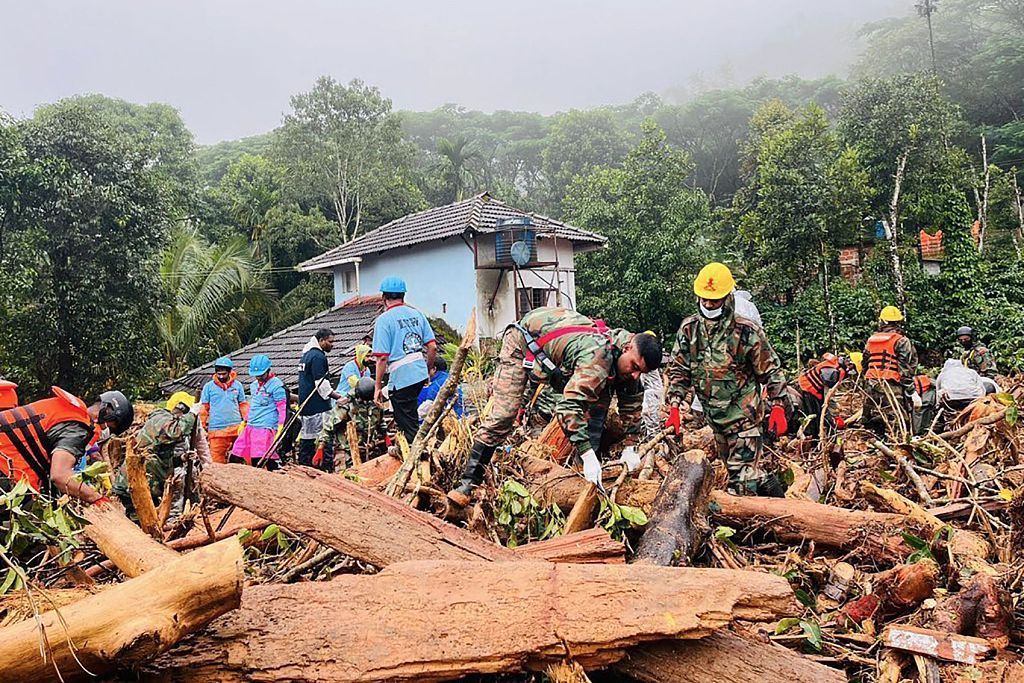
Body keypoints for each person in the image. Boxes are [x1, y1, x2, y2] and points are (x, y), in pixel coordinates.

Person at [447, 307, 662, 507]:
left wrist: (630, 447)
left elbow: (631, 405)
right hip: (524, 341)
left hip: (562, 348)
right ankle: (468, 483)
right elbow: (567, 407)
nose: (634, 375)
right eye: (634, 367)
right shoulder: (598, 358)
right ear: (627, 347)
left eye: (641, 372)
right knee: (505, 415)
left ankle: (583, 480)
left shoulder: (628, 361)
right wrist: (588, 455)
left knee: (596, 414)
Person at [664, 263, 788, 496]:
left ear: (728, 297)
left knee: (741, 485)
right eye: (704, 300)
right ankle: (769, 488)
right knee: (736, 472)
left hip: (744, 417)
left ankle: (760, 522)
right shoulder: (690, 330)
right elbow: (679, 370)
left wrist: (779, 405)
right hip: (716, 419)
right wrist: (674, 405)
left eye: (715, 300)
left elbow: (771, 370)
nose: (709, 305)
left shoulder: (746, 331)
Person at [0, 387, 133, 504]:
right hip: (4, 470)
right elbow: (60, 476)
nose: (106, 431)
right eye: (110, 427)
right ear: (107, 413)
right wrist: (96, 498)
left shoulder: (68, 411)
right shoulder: (78, 429)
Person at [371, 277, 437, 443]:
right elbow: (432, 347)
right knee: (411, 415)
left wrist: (378, 386)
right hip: (419, 373)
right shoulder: (417, 314)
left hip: (401, 378)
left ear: (383, 298)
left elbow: (382, 358)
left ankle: (416, 455)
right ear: (403, 296)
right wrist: (428, 369)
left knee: (407, 425)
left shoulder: (384, 320)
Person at [113, 391, 198, 513]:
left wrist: (182, 458)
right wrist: (192, 415)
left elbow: (161, 458)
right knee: (141, 521)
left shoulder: (165, 420)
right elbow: (176, 432)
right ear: (180, 408)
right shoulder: (161, 420)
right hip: (133, 485)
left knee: (150, 518)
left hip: (146, 483)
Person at [861, 306, 919, 436]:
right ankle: (897, 446)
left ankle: (875, 445)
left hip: (871, 384)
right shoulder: (902, 341)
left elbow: (864, 364)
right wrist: (911, 391)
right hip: (892, 386)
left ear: (883, 321)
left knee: (873, 417)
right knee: (899, 419)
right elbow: (904, 369)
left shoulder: (871, 340)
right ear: (898, 322)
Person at [298, 328, 344, 470]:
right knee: (324, 438)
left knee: (307, 439)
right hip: (318, 406)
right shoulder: (318, 357)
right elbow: (321, 384)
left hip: (306, 406)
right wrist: (338, 397)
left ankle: (304, 466)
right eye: (330, 342)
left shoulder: (306, 355)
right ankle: (325, 470)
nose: (332, 345)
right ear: (321, 340)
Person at [316, 376, 385, 469]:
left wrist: (387, 440)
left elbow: (380, 424)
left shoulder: (375, 406)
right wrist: (320, 448)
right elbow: (329, 427)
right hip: (346, 451)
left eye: (368, 401)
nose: (365, 402)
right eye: (363, 400)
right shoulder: (346, 406)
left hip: (367, 451)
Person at [231, 355, 286, 470]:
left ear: (268, 370)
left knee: (259, 459)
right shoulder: (254, 386)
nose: (259, 378)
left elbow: (282, 408)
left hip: (265, 427)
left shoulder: (276, 386)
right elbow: (254, 404)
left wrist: (281, 426)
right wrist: (245, 420)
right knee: (236, 454)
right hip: (251, 425)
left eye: (261, 375)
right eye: (257, 376)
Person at [790, 353, 856, 437]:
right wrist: (835, 416)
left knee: (819, 414)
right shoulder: (833, 372)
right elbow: (828, 396)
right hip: (808, 389)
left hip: (812, 389)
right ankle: (812, 438)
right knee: (814, 418)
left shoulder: (836, 366)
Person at [199, 357, 248, 464]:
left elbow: (243, 404)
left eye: (224, 374)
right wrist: (201, 427)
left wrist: (247, 420)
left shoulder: (238, 385)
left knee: (243, 459)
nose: (221, 376)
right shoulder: (208, 387)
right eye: (219, 374)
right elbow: (204, 409)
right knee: (216, 463)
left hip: (237, 429)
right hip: (217, 431)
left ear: (230, 372)